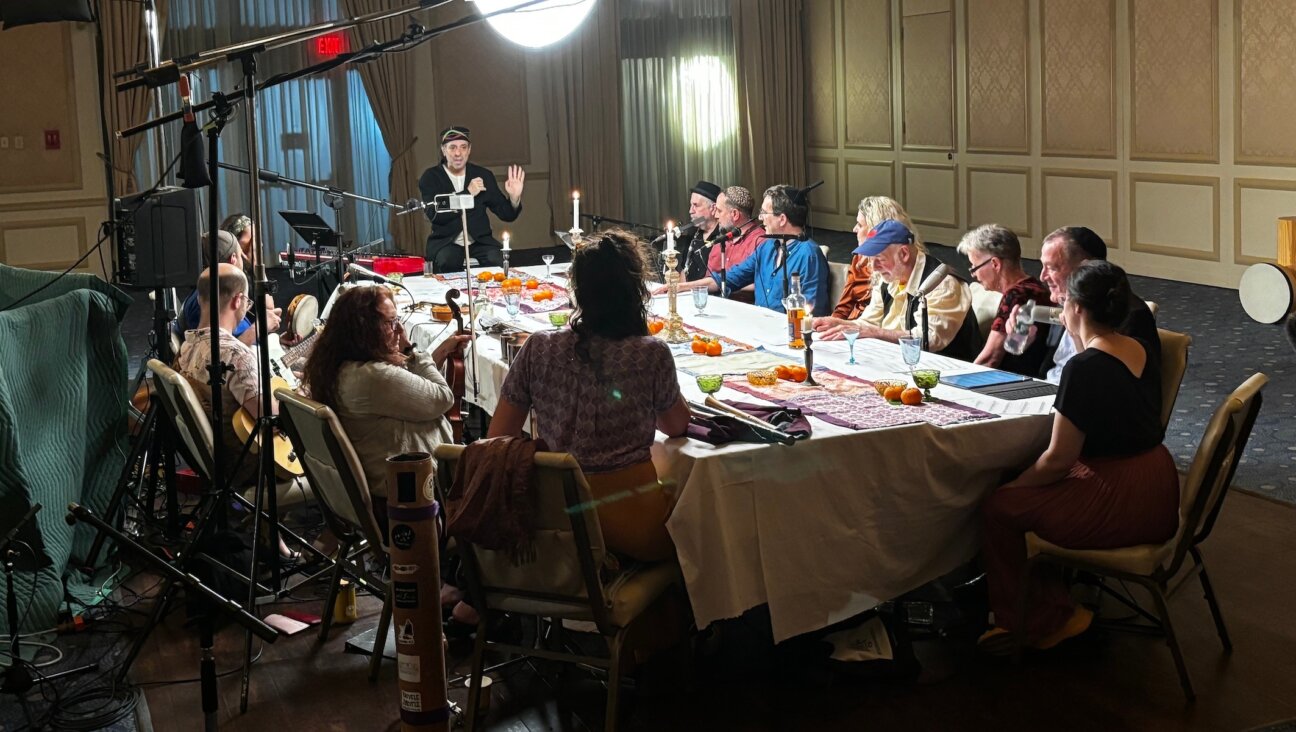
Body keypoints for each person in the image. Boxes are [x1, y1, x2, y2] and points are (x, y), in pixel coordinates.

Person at [979, 260, 1175, 653]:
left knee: (998, 506)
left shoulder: (1084, 367)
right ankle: (1052, 601)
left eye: (1065, 301)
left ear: (1078, 309)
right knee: (1019, 493)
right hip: (1158, 486)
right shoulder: (1135, 347)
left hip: (1119, 500)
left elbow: (1058, 460)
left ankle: (1042, 619)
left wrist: (1015, 485)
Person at [488, 230, 691, 562]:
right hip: (636, 529)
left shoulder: (539, 348)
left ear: (576, 289)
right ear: (636, 292)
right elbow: (677, 426)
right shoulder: (649, 353)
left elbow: (498, 437)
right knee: (696, 513)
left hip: (559, 529)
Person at [300, 285, 468, 533]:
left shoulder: (340, 366)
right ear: (364, 329)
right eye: (390, 323)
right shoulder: (373, 377)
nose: (398, 330)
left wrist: (439, 352)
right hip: (413, 500)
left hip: (376, 490)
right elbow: (443, 398)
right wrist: (412, 350)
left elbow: (409, 388)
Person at [813, 219, 982, 360]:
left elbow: (928, 340)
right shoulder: (890, 277)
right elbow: (869, 324)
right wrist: (838, 323)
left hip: (948, 372)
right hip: (901, 361)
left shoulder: (942, 283)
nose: (874, 267)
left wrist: (872, 332)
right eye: (870, 259)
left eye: (879, 259)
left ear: (904, 254)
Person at [1021, 227, 1158, 383]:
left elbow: (1117, 386)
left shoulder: (1128, 314)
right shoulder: (1063, 301)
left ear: (1084, 268)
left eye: (1052, 268)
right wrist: (1023, 342)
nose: (1042, 277)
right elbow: (1040, 367)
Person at [668, 185, 830, 315]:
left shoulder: (809, 254)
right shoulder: (766, 247)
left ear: (782, 219)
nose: (760, 218)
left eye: (765, 213)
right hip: (758, 327)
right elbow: (727, 278)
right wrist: (679, 287)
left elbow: (813, 311)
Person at [175, 263, 266, 488]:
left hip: (217, 460)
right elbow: (269, 418)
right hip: (251, 463)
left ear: (199, 299)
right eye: (247, 301)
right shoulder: (234, 354)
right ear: (237, 300)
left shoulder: (185, 347)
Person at [419, 126, 525, 273]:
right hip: (447, 243)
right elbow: (435, 215)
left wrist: (514, 197)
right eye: (452, 148)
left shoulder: (483, 175)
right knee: (448, 261)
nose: (458, 153)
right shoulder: (431, 177)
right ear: (443, 150)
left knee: (497, 260)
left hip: (479, 241)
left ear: (469, 150)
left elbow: (506, 214)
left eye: (463, 147)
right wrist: (467, 193)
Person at [957, 224, 1053, 374]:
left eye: (974, 267)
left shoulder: (1016, 296)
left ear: (995, 264)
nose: (973, 275)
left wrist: (955, 382)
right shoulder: (1034, 287)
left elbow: (990, 359)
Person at [177, 230, 280, 345]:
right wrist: (259, 327)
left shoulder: (213, 292)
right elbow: (221, 353)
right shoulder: (207, 302)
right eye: (241, 254)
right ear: (233, 258)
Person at [831, 196, 919, 319]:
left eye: (860, 225)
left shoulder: (906, 266)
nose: (854, 229)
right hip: (855, 328)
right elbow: (844, 306)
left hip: (877, 331)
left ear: (876, 228)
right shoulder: (859, 259)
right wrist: (832, 325)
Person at [709, 186, 765, 302]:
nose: (715, 216)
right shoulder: (720, 241)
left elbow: (763, 284)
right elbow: (708, 278)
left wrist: (725, 285)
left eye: (719, 211)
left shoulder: (761, 242)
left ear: (735, 214)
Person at [679, 180, 723, 281]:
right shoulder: (693, 233)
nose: (691, 211)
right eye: (691, 205)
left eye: (696, 205)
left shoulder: (723, 236)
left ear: (713, 208)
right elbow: (683, 271)